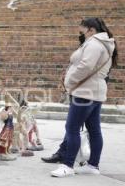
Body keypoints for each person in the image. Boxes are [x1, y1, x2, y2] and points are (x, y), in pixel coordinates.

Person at [49, 18, 118, 177]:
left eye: (82, 32)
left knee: (72, 128)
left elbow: (85, 66)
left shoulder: (94, 43)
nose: (81, 35)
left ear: (91, 30)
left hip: (85, 92)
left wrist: (70, 81)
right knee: (94, 130)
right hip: (95, 92)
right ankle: (93, 165)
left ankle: (67, 165)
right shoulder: (105, 43)